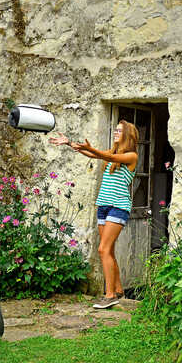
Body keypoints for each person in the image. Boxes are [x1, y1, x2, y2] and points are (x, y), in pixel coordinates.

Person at [49, 120, 139, 309]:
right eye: (115, 129)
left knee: (102, 249)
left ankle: (109, 295)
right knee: (109, 251)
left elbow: (101, 155)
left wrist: (91, 149)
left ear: (128, 135)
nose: (116, 132)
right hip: (104, 206)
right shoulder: (111, 155)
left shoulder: (131, 156)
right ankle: (119, 290)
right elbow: (94, 154)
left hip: (118, 206)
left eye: (120, 131)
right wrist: (69, 144)